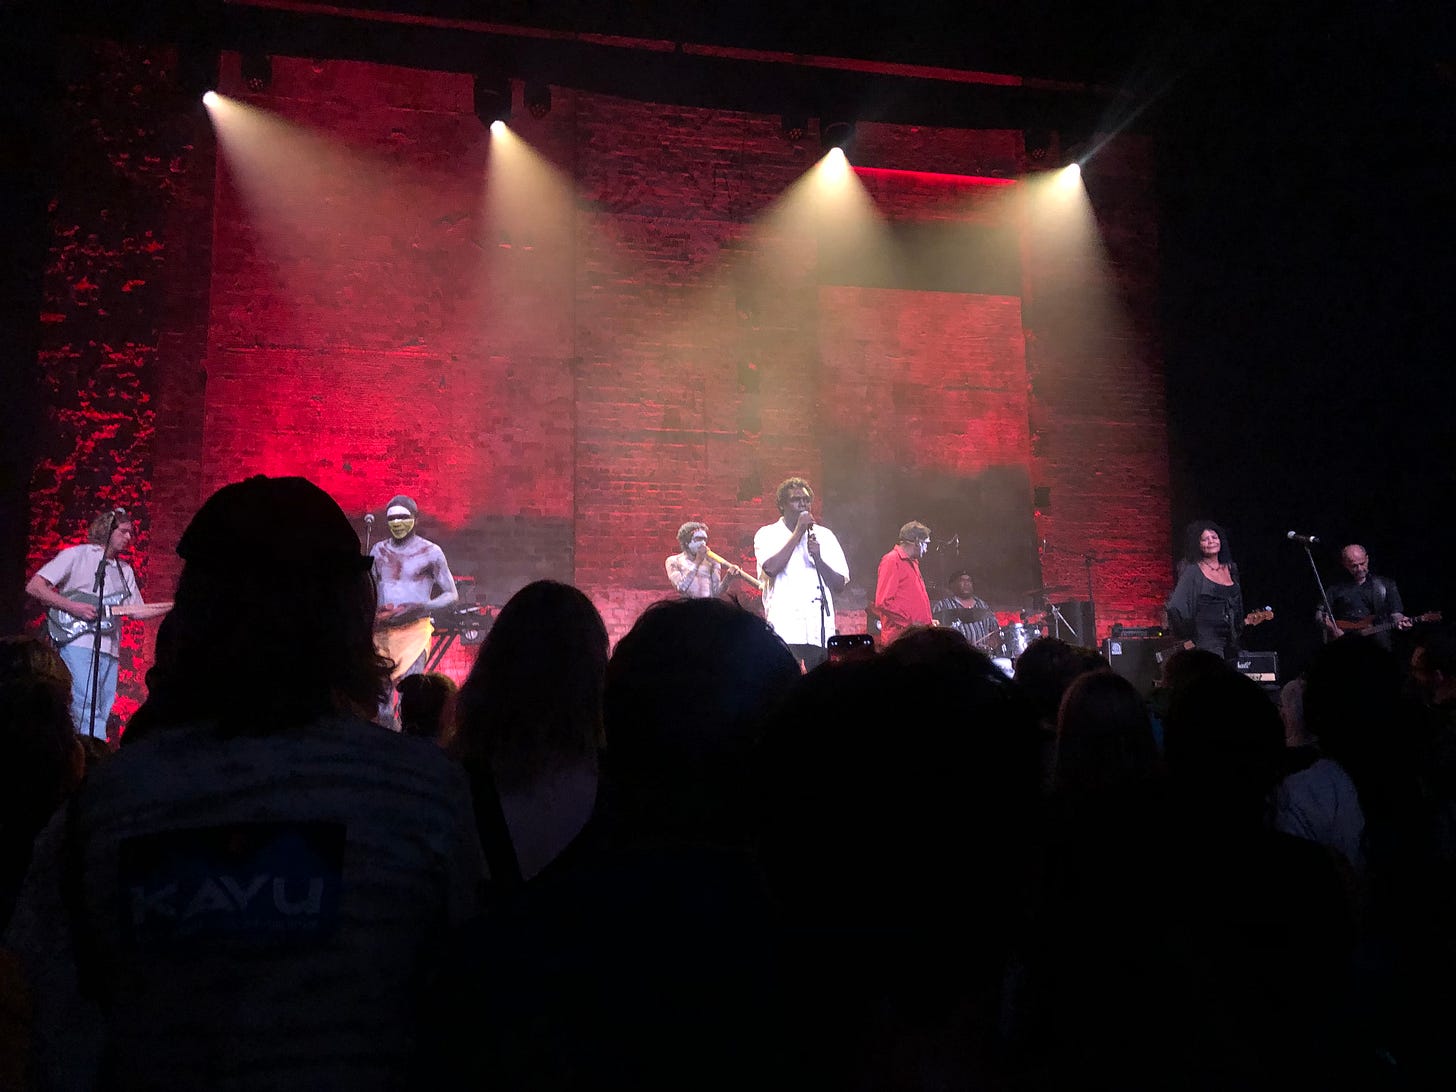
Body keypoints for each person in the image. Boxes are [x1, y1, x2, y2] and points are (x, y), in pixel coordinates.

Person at [4, 475, 483, 1091]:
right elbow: (469, 1023)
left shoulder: (102, 809)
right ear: (348, 615)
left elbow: (47, 1030)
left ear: (196, 619)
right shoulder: (426, 800)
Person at [24, 507, 166, 737]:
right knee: (84, 706)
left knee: (101, 708)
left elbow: (137, 611)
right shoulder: (76, 555)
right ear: (107, 530)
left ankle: (90, 753)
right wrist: (72, 606)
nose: (129, 538)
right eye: (124, 532)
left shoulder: (124, 570)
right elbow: (35, 586)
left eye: (131, 533)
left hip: (109, 648)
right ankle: (89, 759)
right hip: (79, 643)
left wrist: (175, 604)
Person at [369, 494, 458, 727]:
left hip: (414, 632)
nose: (397, 523)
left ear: (415, 519)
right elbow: (368, 588)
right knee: (381, 699)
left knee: (411, 693)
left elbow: (451, 594)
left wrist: (421, 608)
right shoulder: (378, 551)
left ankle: (409, 743)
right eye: (392, 518)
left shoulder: (431, 552)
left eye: (403, 517)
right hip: (383, 632)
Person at [754, 477, 849, 670]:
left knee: (819, 684)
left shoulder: (825, 536)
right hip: (785, 625)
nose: (803, 504)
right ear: (782, 505)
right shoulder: (767, 534)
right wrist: (798, 532)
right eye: (796, 499)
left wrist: (819, 559)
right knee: (785, 680)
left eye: (806, 500)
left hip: (818, 626)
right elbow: (771, 568)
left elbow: (839, 585)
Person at [1164, 520, 1245, 659]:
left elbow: (1237, 606)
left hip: (1230, 642)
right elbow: (1175, 607)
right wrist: (1189, 634)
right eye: (1205, 539)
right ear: (1198, 545)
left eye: (1214, 537)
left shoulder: (1231, 568)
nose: (1211, 541)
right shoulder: (1193, 571)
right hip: (1206, 642)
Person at [1320, 544, 1408, 649]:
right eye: (1354, 566)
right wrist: (1334, 630)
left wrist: (1402, 621)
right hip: (1346, 645)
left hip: (1378, 645)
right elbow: (1321, 615)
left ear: (1367, 559)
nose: (1359, 568)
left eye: (1362, 563)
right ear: (1345, 564)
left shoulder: (1386, 584)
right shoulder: (1335, 587)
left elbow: (1396, 613)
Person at [872, 520, 933, 648]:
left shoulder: (912, 563)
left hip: (915, 636)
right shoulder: (892, 560)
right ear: (916, 542)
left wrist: (927, 622)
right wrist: (911, 623)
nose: (927, 550)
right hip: (901, 640)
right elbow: (883, 602)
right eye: (925, 544)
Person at [664, 521, 746, 599]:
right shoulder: (674, 561)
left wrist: (728, 577)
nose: (703, 543)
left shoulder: (712, 562)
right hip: (687, 608)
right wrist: (697, 562)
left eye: (704, 539)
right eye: (698, 539)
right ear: (686, 542)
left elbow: (716, 593)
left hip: (708, 608)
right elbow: (681, 588)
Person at [932, 568, 997, 653]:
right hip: (955, 656)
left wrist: (993, 640)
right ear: (953, 585)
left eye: (969, 581)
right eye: (962, 580)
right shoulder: (942, 606)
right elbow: (935, 635)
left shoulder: (983, 605)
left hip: (982, 655)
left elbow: (995, 630)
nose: (966, 584)